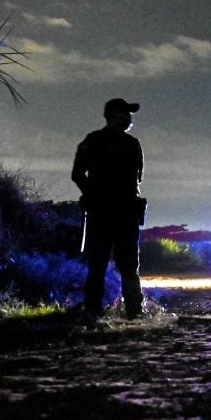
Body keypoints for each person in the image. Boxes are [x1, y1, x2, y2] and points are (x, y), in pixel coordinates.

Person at [71, 97, 147, 319]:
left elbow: (137, 180)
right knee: (101, 264)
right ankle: (99, 310)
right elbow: (78, 175)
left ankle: (131, 310)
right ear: (112, 115)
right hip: (104, 213)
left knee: (125, 265)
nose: (128, 118)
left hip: (122, 212)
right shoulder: (95, 141)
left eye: (129, 114)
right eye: (124, 113)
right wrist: (95, 196)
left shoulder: (132, 143)